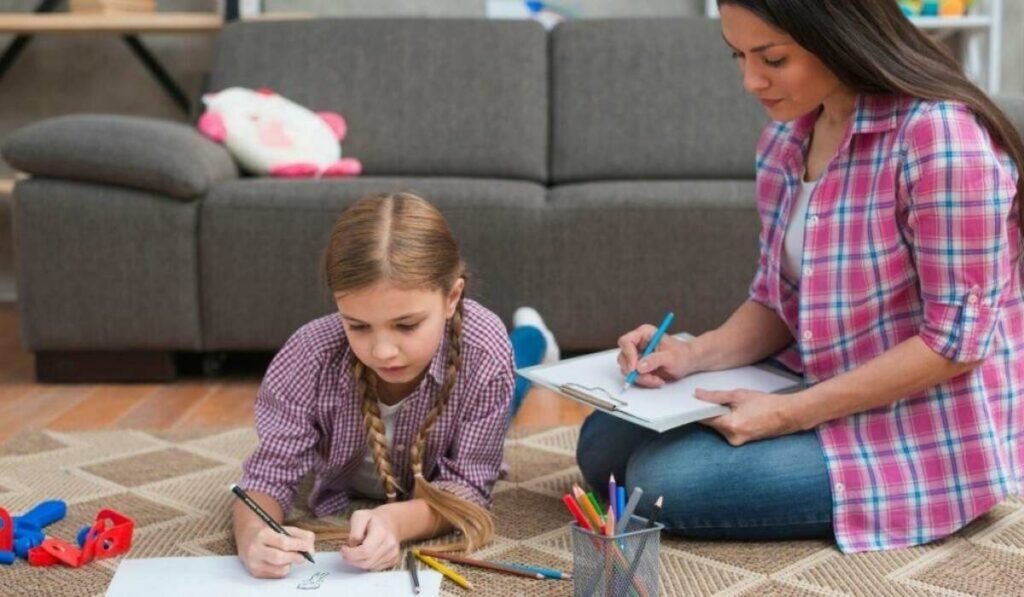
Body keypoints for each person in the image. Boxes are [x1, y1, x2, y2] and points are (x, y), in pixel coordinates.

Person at [577, 0, 1024, 553]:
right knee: (601, 443)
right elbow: (777, 299)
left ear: (840, 37)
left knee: (663, 482)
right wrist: (692, 355)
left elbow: (956, 346)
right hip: (814, 377)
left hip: (918, 418)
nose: (749, 80)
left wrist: (788, 414)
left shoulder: (941, 140)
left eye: (772, 58)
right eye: (737, 55)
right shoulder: (787, 141)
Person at [233, 192, 558, 578]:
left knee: (517, 374)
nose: (383, 351)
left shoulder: (483, 350)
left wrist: (397, 522)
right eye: (357, 326)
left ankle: (534, 336)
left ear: (452, 297)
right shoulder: (309, 353)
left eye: (406, 325)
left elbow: (470, 484)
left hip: (482, 360)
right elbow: (267, 477)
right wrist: (254, 534)